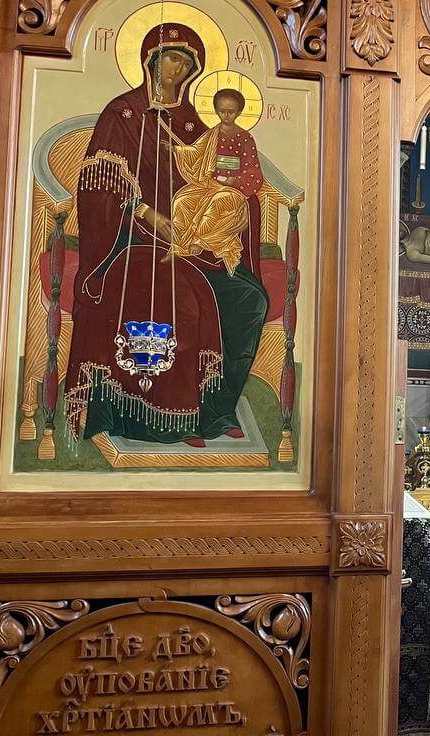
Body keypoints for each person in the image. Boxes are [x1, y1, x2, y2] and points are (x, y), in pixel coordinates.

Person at [64, 23, 269, 450]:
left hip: (194, 239)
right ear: (150, 60)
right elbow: (98, 188)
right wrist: (146, 213)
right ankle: (167, 416)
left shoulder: (194, 125)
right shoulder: (122, 115)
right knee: (184, 298)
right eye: (171, 58)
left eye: (186, 63)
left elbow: (217, 178)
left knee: (249, 299)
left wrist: (225, 207)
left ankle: (216, 410)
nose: (177, 69)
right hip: (130, 239)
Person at [164, 87, 264, 274]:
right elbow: (197, 152)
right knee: (182, 199)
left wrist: (234, 180)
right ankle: (179, 246)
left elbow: (253, 172)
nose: (226, 115)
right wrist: (177, 150)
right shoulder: (212, 134)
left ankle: (199, 241)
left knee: (218, 202)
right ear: (216, 110)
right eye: (222, 111)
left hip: (233, 189)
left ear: (239, 112)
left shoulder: (245, 138)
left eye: (231, 111)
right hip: (209, 184)